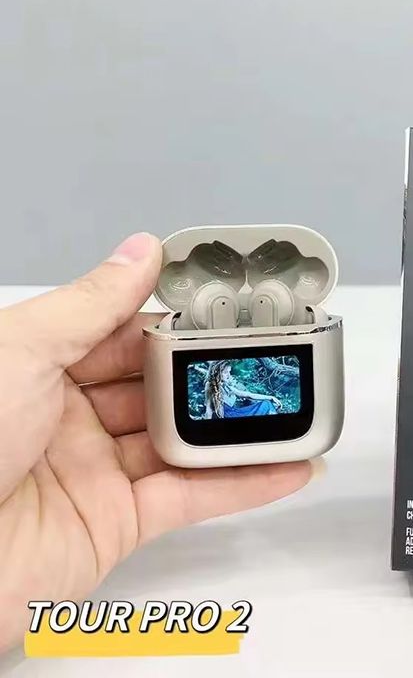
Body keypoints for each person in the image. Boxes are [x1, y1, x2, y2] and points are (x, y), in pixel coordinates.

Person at [0, 233, 320, 653]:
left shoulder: (225, 382)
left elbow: (247, 390)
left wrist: (272, 398)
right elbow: (242, 391)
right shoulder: (217, 381)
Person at [204, 361, 284, 418]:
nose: (228, 375)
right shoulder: (209, 385)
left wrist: (271, 397)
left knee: (267, 403)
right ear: (217, 373)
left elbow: (248, 395)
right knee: (266, 405)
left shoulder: (225, 385)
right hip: (231, 416)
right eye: (225, 372)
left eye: (229, 372)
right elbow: (209, 409)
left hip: (235, 412)